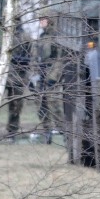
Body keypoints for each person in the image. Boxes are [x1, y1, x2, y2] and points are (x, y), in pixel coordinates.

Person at [34, 16, 64, 144]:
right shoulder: (41, 37)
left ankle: (64, 131)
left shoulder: (56, 37)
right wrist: (34, 76)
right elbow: (34, 58)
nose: (41, 22)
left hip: (51, 75)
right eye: (40, 20)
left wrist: (53, 76)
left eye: (43, 20)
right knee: (41, 104)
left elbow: (60, 59)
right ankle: (47, 131)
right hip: (40, 75)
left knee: (54, 104)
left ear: (50, 21)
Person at [5, 22, 33, 141]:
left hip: (18, 76)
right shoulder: (6, 35)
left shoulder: (25, 37)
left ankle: (12, 130)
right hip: (5, 75)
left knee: (16, 104)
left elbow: (30, 56)